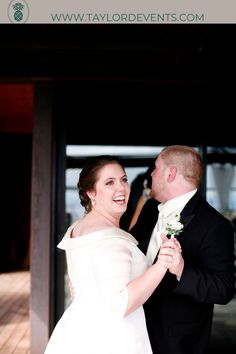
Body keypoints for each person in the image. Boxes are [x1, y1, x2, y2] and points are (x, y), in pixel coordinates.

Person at [44, 155, 182, 354]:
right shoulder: (109, 238)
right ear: (91, 192)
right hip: (112, 339)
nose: (122, 188)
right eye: (110, 182)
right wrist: (162, 264)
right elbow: (121, 304)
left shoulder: (80, 227)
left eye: (124, 180)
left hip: (78, 329)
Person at [130, 145, 236, 354]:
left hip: (175, 342)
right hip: (132, 328)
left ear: (171, 173)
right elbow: (129, 250)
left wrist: (181, 268)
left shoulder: (215, 225)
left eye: (156, 168)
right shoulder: (150, 209)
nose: (151, 174)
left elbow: (224, 289)